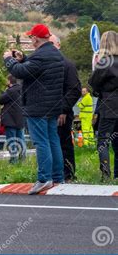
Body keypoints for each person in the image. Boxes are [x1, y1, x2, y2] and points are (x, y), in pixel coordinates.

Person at [3, 23, 64, 194]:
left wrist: (8, 58)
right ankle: (58, 177)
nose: (30, 40)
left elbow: (20, 72)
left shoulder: (40, 56)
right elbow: (34, 68)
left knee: (41, 142)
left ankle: (44, 178)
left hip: (37, 106)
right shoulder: (55, 54)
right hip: (53, 105)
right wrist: (23, 58)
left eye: (31, 37)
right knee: (53, 139)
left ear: (35, 38)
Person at [50, 34, 82, 182]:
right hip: (45, 112)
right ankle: (52, 174)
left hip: (62, 112)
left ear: (59, 45)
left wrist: (63, 109)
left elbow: (75, 89)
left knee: (64, 143)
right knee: (49, 143)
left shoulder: (67, 64)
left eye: (52, 43)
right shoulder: (45, 64)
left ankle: (68, 174)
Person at [89, 30, 118, 180]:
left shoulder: (105, 62)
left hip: (109, 106)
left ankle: (106, 174)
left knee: (103, 140)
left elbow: (93, 83)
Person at [0, 74, 26, 164]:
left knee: (11, 140)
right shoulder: (23, 89)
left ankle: (14, 160)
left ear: (9, 81)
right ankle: (22, 158)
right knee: (21, 140)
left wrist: (5, 92)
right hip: (20, 119)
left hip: (10, 120)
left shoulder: (10, 91)